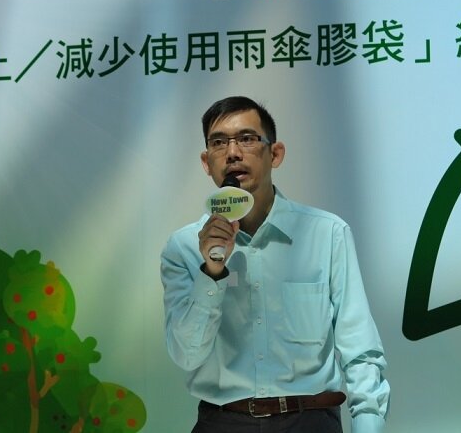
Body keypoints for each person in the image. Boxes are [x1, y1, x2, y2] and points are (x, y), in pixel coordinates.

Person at [161, 96, 390, 432]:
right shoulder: (183, 247)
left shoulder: (327, 234)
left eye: (247, 139)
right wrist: (212, 271)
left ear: (276, 154)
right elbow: (186, 355)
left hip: (309, 420)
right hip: (223, 422)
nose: (233, 153)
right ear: (206, 162)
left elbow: (360, 352)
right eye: (219, 143)